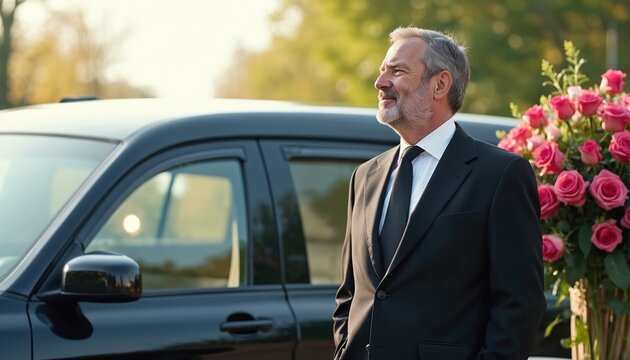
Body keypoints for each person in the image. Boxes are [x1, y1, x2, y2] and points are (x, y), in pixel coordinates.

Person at [333, 26, 546, 360]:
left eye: (397, 71)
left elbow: (519, 305)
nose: (381, 83)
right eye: (382, 71)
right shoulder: (365, 177)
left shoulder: (500, 175)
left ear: (440, 84)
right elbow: (350, 293)